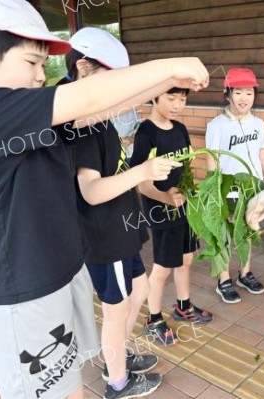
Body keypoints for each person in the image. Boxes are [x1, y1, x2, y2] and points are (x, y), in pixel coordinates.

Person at [0, 1, 209, 397]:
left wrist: (167, 83)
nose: (41, 77)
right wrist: (171, 66)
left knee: (71, 388)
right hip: (21, 289)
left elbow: (106, 105)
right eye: (32, 63)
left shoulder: (14, 115)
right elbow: (91, 99)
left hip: (55, 274)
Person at [63, 27, 181, 397]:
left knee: (140, 288)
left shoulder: (99, 115)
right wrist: (143, 172)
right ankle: (117, 381)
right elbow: (92, 191)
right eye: (112, 79)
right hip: (106, 236)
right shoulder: (81, 126)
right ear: (83, 68)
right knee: (116, 310)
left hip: (123, 230)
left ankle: (117, 355)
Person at [130, 87, 213, 346]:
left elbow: (185, 168)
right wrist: (166, 196)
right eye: (171, 98)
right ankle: (152, 319)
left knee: (186, 259)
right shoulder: (146, 132)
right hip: (161, 207)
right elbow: (140, 180)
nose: (178, 104)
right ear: (154, 97)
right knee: (163, 267)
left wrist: (192, 191)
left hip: (184, 205)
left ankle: (182, 306)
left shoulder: (179, 129)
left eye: (183, 98)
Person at [205, 68, 264, 304]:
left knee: (246, 230)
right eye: (238, 93)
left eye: (249, 93)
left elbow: (263, 155)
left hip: (252, 187)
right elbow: (211, 158)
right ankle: (223, 280)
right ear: (228, 95)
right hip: (227, 188)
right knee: (223, 233)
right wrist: (213, 189)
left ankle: (245, 274)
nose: (244, 98)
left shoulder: (258, 124)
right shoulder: (217, 125)